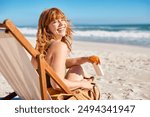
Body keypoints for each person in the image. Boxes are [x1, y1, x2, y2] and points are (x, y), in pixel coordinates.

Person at [32, 8, 100, 92]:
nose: (61, 24)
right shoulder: (59, 46)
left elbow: (56, 65)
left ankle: (87, 79)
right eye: (55, 22)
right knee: (79, 72)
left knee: (77, 68)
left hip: (37, 90)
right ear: (47, 28)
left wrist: (86, 59)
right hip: (50, 93)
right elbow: (57, 84)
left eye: (63, 20)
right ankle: (87, 80)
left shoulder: (41, 45)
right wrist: (82, 84)